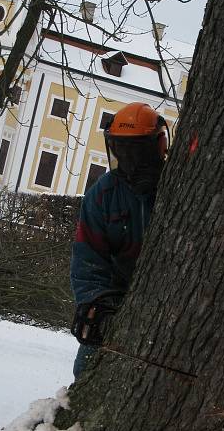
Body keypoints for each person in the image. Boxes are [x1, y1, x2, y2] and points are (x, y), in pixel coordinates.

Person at [70, 102, 169, 377]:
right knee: (86, 372)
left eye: (137, 151)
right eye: (122, 151)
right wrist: (100, 305)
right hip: (116, 299)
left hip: (167, 302)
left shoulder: (178, 189)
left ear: (158, 145)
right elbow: (87, 262)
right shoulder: (103, 195)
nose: (130, 160)